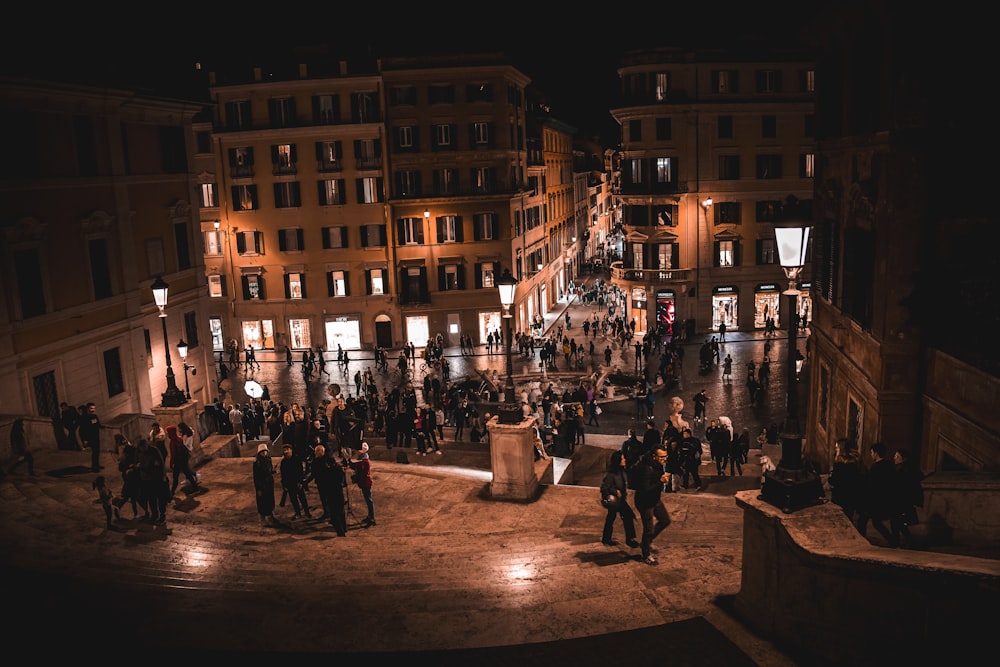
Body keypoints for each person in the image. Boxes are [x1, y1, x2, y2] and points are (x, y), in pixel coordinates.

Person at [633, 446, 672, 565]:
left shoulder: (657, 464)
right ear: (654, 456)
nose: (664, 459)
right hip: (645, 502)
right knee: (648, 529)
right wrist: (661, 481)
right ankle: (645, 554)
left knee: (665, 520)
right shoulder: (646, 468)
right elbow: (646, 489)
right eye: (662, 457)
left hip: (655, 499)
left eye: (666, 456)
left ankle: (647, 542)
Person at [856, 442, 898, 547]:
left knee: (866, 520)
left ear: (876, 453)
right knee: (876, 522)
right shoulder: (890, 466)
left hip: (875, 499)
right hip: (886, 498)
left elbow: (871, 486)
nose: (871, 455)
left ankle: (861, 541)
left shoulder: (875, 468)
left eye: (871, 452)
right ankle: (893, 541)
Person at [599, 450, 638, 547]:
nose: (625, 460)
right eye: (623, 458)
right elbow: (604, 488)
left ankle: (627, 539)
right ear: (618, 461)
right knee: (615, 518)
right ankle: (609, 539)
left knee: (626, 516)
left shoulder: (622, 471)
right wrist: (615, 491)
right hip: (614, 501)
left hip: (621, 500)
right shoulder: (611, 475)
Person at [891, 448, 924, 548]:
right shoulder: (906, 469)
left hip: (901, 500)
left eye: (897, 456)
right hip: (904, 500)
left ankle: (899, 542)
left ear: (903, 458)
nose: (894, 458)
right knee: (898, 522)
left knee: (897, 522)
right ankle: (902, 541)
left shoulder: (902, 470)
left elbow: (902, 486)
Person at [828, 438, 866, 523]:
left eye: (837, 447)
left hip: (841, 495)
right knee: (849, 516)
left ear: (840, 449)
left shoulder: (839, 464)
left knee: (840, 519)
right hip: (852, 494)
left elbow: (834, 480)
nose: (835, 449)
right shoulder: (855, 461)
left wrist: (830, 478)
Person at [137, 437, 168, 525]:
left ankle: (162, 516)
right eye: (141, 448)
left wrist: (163, 475)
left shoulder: (154, 451)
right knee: (151, 498)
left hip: (156, 478)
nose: (142, 450)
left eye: (143, 447)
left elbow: (160, 464)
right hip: (145, 479)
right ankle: (154, 515)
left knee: (160, 498)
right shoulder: (139, 452)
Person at [278, 444, 311, 519]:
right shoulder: (283, 462)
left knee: (302, 498)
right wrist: (284, 484)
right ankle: (298, 513)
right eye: (285, 450)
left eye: (287, 449)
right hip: (289, 483)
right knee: (293, 499)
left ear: (291, 450)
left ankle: (307, 512)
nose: (286, 451)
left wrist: (300, 482)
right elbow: (283, 474)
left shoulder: (296, 459)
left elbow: (300, 471)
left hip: (297, 482)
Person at [348, 442, 376, 527]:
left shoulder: (364, 462)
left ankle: (372, 518)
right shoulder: (364, 461)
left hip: (366, 483)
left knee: (369, 501)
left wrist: (348, 460)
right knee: (368, 500)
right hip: (365, 483)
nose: (356, 452)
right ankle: (370, 516)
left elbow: (356, 466)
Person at [169, 422, 200, 496]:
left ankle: (172, 492)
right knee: (184, 474)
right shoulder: (179, 439)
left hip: (180, 460)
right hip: (182, 459)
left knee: (184, 474)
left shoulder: (176, 441)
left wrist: (171, 463)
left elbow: (174, 453)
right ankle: (172, 491)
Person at [253, 443, 279, 526]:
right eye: (262, 451)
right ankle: (262, 519)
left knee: (270, 500)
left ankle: (271, 516)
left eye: (265, 451)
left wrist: (273, 471)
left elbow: (269, 471)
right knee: (262, 502)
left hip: (269, 484)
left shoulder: (268, 459)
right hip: (262, 485)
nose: (264, 453)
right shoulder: (257, 463)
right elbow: (256, 477)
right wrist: (259, 489)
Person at [79, 402, 103, 472]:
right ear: (87, 408)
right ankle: (95, 467)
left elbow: (98, 424)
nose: (93, 410)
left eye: (94, 408)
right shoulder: (84, 418)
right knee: (95, 452)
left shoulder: (94, 416)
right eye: (91, 408)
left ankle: (96, 465)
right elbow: (82, 430)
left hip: (96, 437)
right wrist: (84, 440)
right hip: (90, 438)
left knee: (97, 452)